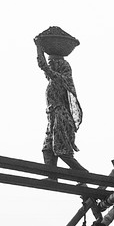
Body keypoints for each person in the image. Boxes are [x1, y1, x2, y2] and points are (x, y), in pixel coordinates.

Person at [36, 33, 83, 171]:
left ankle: (82, 174)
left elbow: (43, 66)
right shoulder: (53, 79)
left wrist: (39, 48)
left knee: (62, 150)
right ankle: (52, 177)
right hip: (53, 116)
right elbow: (45, 68)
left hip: (60, 115)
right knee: (47, 148)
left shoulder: (61, 79)